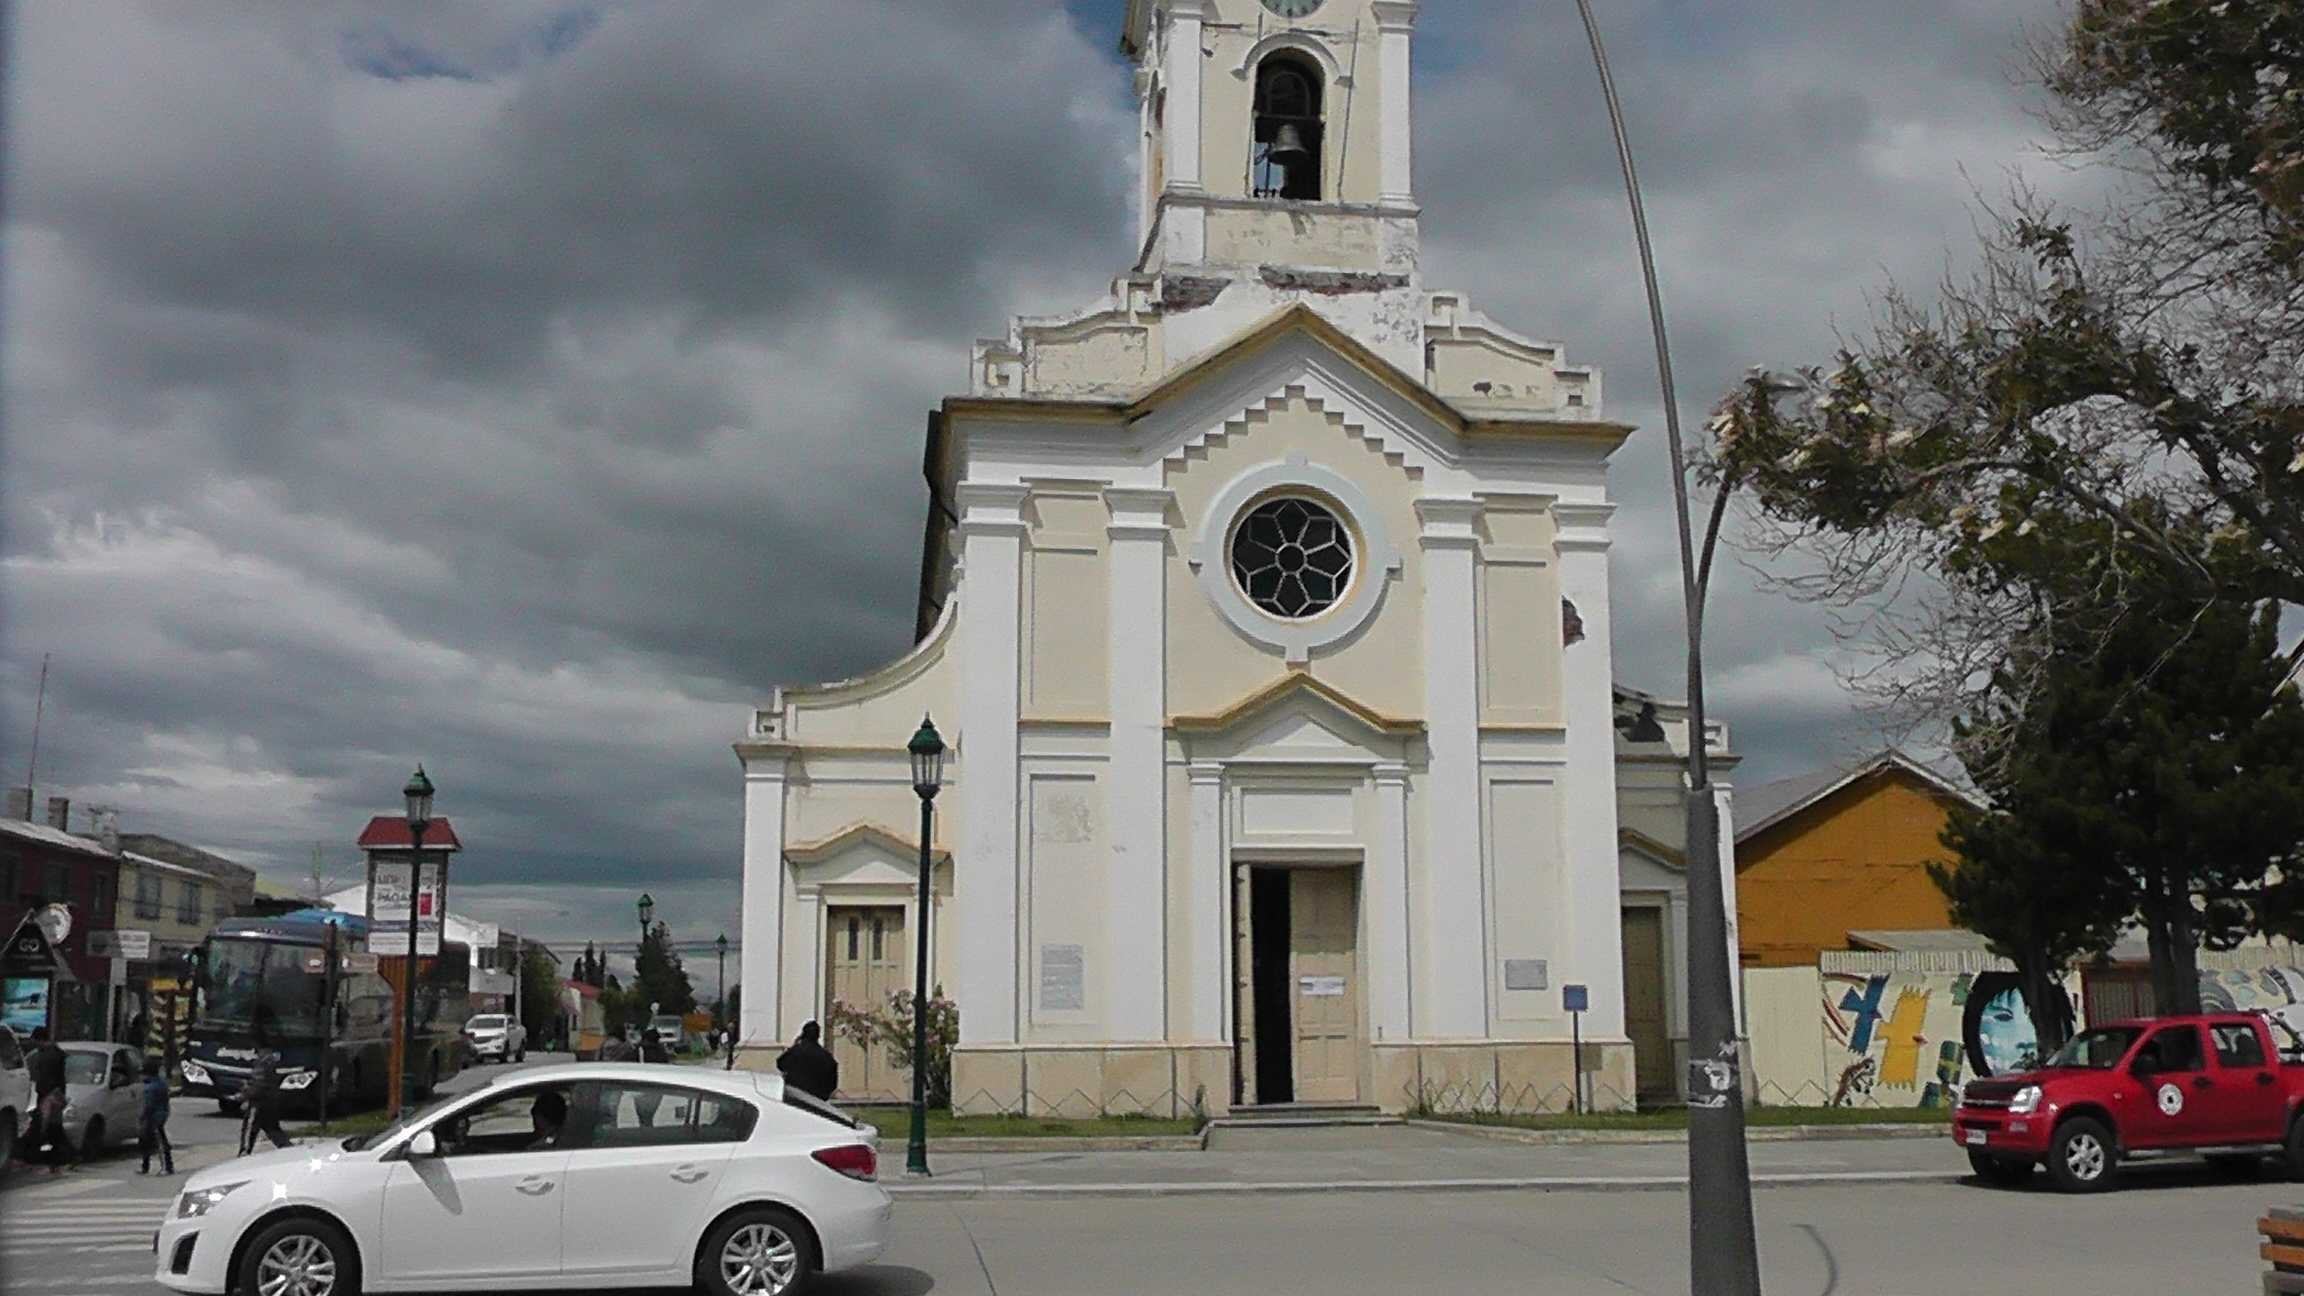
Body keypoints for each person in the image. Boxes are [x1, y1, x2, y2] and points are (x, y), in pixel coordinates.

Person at [24, 1027, 74, 1174]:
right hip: (53, 1094)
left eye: (35, 1041)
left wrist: (44, 1094)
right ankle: (57, 1159)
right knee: (51, 1128)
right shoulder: (54, 1052)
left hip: (49, 1095)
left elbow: (47, 1078)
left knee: (50, 1128)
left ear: (39, 1040)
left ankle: (66, 1156)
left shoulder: (49, 1055)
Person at [238, 1030, 291, 1155]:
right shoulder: (271, 1059)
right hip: (271, 1100)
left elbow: (258, 1084)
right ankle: (289, 1150)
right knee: (273, 1130)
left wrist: (244, 1094)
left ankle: (244, 1153)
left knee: (249, 1129)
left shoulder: (262, 1061)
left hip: (258, 1102)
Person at [776, 1021, 839, 1101]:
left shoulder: (795, 1051)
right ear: (818, 1036)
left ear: (803, 1034)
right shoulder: (826, 1057)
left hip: (795, 1097)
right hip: (818, 1101)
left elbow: (780, 1064)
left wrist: (794, 1045)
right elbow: (833, 1083)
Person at [138, 1057, 175, 1176]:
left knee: (158, 1142)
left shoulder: (151, 1088)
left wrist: (142, 1116)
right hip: (161, 1115)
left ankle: (165, 1166)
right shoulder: (161, 1083)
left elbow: (149, 1105)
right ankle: (146, 1165)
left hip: (154, 1117)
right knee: (148, 1141)